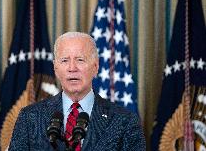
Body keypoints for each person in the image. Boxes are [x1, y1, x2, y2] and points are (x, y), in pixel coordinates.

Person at [8, 32, 146, 151]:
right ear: (55, 68)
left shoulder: (125, 121)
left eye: (80, 60)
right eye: (64, 60)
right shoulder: (29, 117)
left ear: (95, 67)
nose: (72, 68)